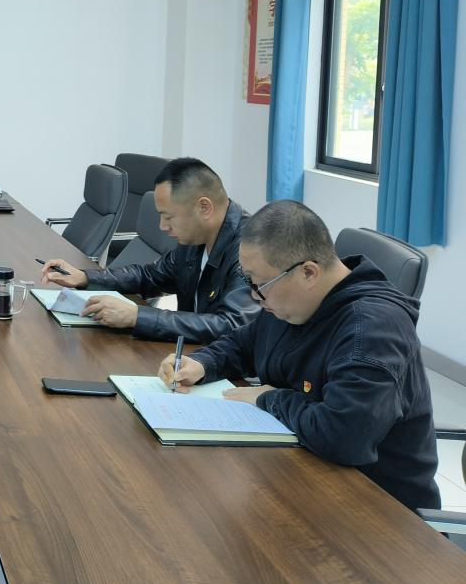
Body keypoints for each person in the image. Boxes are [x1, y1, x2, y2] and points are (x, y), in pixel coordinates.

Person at [159, 201, 440, 512]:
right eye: (249, 281)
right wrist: (202, 363)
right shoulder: (296, 301)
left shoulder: (372, 330)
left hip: (379, 509)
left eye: (260, 284)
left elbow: (343, 436)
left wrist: (270, 399)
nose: (254, 295)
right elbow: (247, 343)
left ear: (308, 272)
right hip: (303, 472)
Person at [40, 157, 259, 342]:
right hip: (191, 357)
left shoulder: (250, 249)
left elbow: (232, 325)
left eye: (168, 217)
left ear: (204, 208)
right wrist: (85, 277)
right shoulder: (196, 239)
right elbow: (150, 276)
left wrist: (137, 316)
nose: (163, 227)